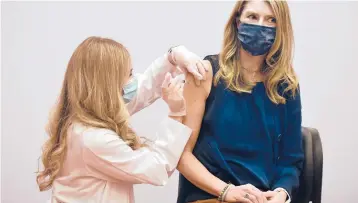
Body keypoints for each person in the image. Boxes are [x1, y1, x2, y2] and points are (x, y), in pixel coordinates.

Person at [36, 37, 208, 203]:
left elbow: (145, 87)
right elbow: (157, 169)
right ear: (108, 85)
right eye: (130, 74)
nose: (134, 80)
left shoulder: (85, 115)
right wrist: (176, 113)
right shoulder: (93, 139)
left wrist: (173, 56)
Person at [177, 1, 303, 203]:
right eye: (253, 17)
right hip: (211, 194)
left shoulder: (287, 86)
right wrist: (226, 191)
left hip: (261, 197)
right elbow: (181, 155)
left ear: (281, 29)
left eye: (271, 20)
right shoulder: (206, 73)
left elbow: (292, 160)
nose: (261, 25)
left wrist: (281, 193)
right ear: (237, 22)